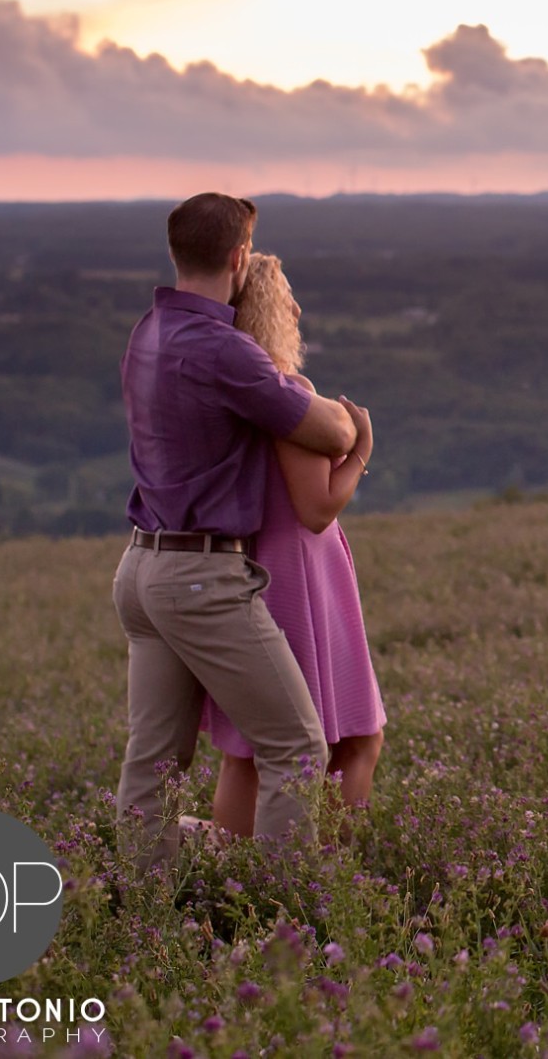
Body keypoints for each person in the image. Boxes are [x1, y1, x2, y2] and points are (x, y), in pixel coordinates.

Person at [113, 193, 363, 866]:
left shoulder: (148, 331)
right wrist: (354, 431)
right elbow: (331, 428)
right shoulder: (224, 349)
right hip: (200, 576)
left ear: (177, 251)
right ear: (238, 255)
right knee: (297, 746)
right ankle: (283, 902)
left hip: (140, 568)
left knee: (155, 761)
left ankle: (146, 903)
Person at [201, 252, 386, 835]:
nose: (298, 309)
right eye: (286, 298)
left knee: (250, 749)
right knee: (357, 738)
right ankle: (328, 873)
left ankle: (230, 876)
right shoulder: (288, 393)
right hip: (303, 575)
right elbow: (315, 508)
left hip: (256, 567)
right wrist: (360, 453)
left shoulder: (228, 396)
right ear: (264, 309)